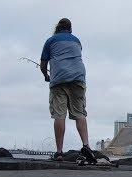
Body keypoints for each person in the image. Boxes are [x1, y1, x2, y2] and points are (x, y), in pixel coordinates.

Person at [40, 18, 97, 163]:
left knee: (59, 115)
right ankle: (86, 146)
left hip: (58, 80)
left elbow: (43, 63)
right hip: (78, 78)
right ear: (70, 29)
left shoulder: (50, 41)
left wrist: (46, 75)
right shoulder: (77, 41)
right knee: (80, 113)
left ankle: (59, 152)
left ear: (57, 27)